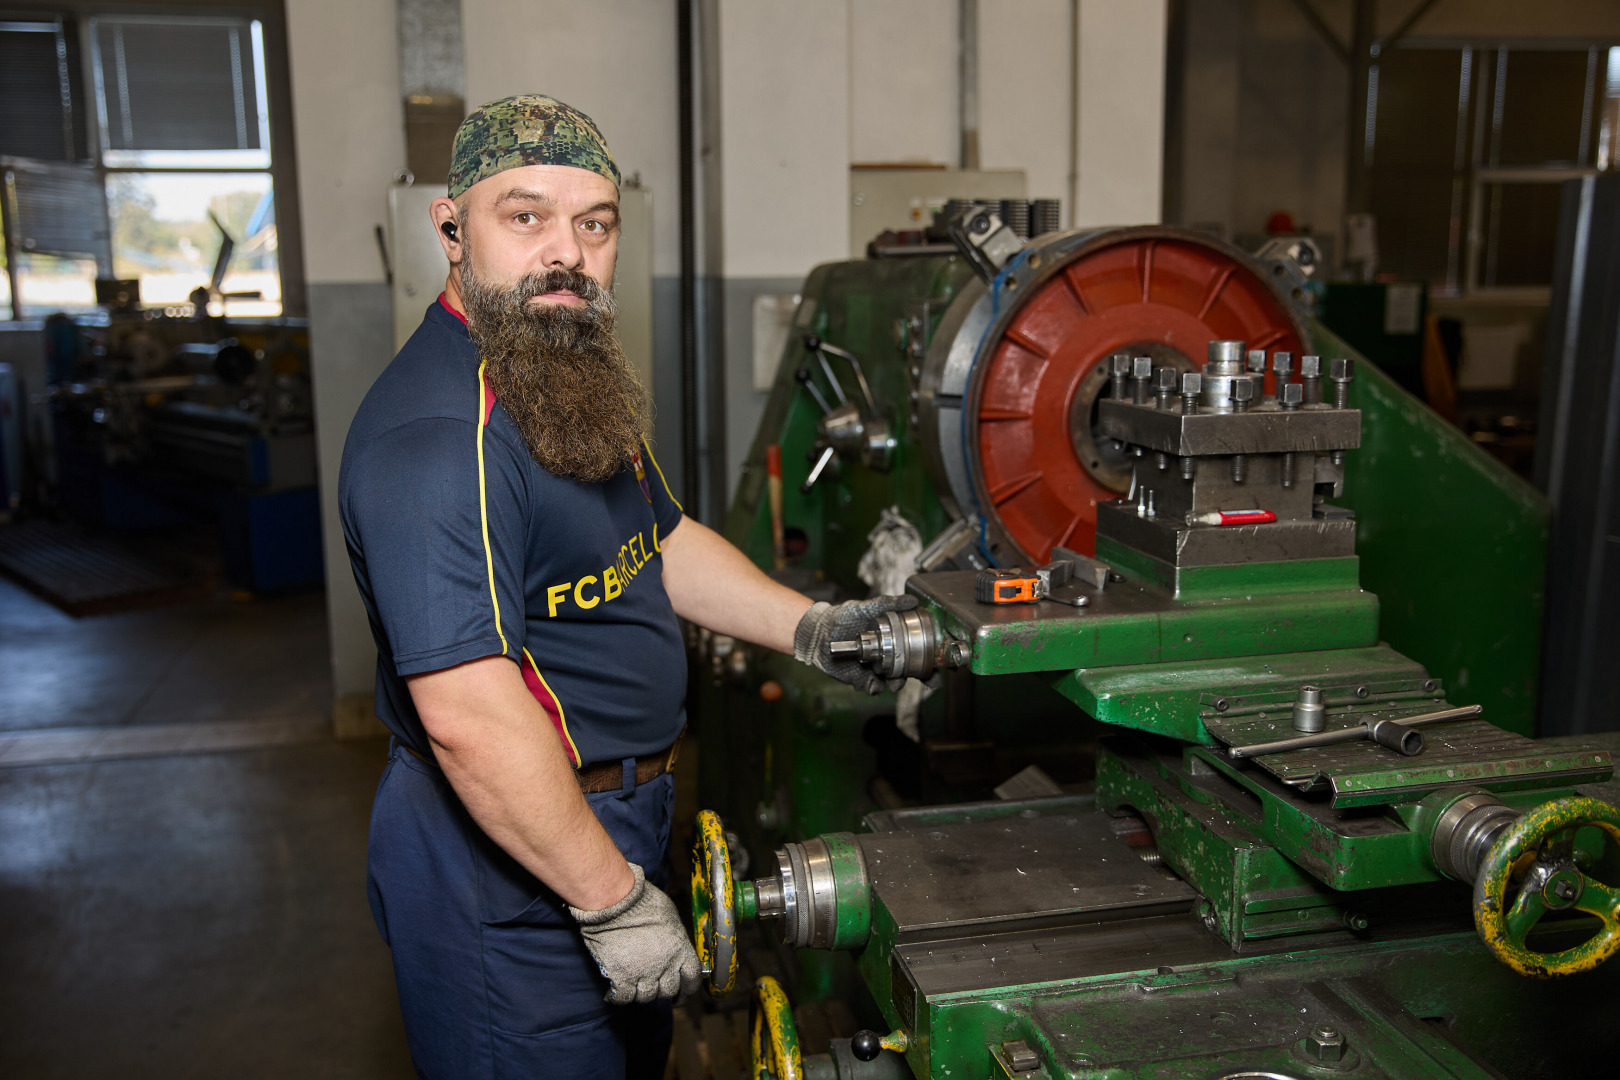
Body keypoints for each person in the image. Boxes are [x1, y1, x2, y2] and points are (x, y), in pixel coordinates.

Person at [338, 94, 915, 1079]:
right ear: (450, 229)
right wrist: (607, 896)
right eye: (525, 217)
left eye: (593, 223)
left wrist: (817, 629)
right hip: (510, 861)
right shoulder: (438, 439)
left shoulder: (560, 371)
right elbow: (471, 715)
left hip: (612, 820)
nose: (566, 252)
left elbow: (662, 541)